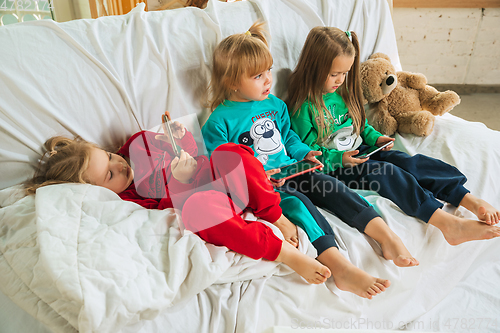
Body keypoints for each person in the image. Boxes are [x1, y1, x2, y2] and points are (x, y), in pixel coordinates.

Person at [201, 21, 413, 299]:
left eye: (268, 72)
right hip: (267, 185)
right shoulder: (217, 123)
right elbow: (224, 167)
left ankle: (386, 236)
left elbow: (288, 137)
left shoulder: (275, 105)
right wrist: (257, 179)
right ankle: (339, 266)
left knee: (336, 189)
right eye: (257, 76)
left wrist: (304, 153)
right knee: (301, 206)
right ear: (231, 82)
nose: (268, 80)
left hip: (296, 168)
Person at [24, 119, 332, 285]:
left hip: (220, 177)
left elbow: (182, 147)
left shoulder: (136, 145)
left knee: (232, 152)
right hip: (208, 202)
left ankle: (274, 214)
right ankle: (283, 254)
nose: (120, 166)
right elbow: (174, 208)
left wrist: (177, 135)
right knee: (199, 210)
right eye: (109, 175)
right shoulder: (129, 200)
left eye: (109, 157)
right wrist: (182, 180)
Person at [286, 26, 500, 247]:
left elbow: (360, 124)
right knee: (387, 173)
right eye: (334, 74)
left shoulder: (341, 94)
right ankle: (447, 224)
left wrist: (376, 138)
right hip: (340, 168)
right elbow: (309, 154)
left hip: (364, 152)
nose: (340, 80)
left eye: (345, 73)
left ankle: (466, 198)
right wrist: (341, 159)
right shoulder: (303, 107)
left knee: (411, 162)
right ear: (313, 67)